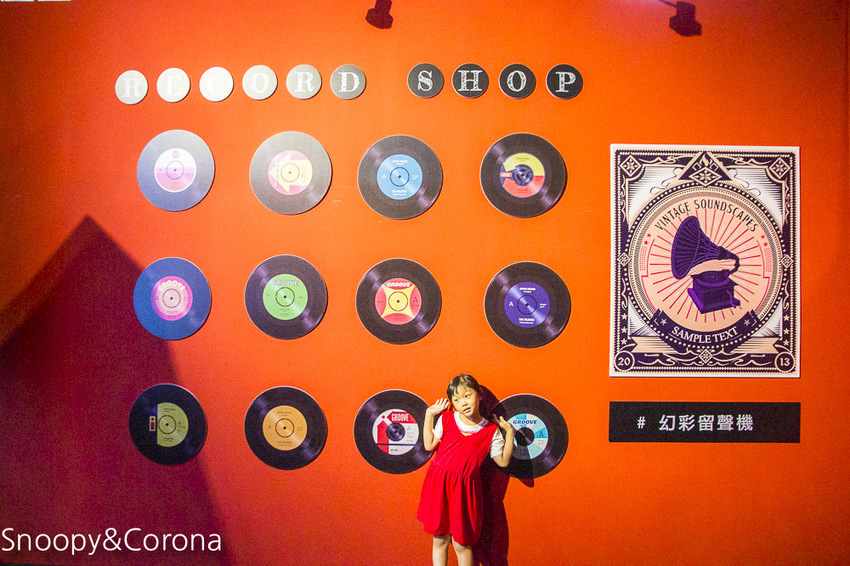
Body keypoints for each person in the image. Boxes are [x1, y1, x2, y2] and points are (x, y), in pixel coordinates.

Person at [417, 374, 515, 566]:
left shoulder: (490, 431)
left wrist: (509, 433)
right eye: (456, 399)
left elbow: (503, 461)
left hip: (464, 492)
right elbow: (429, 445)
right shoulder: (446, 419)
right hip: (439, 487)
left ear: (479, 395)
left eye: (467, 395)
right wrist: (429, 414)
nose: (463, 402)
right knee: (440, 538)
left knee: (462, 543)